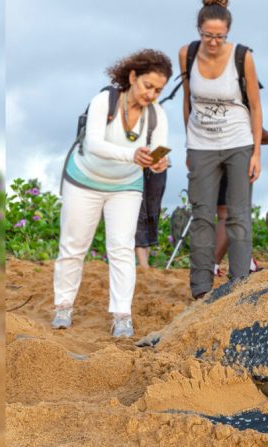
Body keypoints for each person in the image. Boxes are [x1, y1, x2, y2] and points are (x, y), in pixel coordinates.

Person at [52, 49, 172, 337]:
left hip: (126, 186)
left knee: (121, 248)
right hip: (84, 179)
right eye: (147, 86)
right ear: (132, 77)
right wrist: (133, 155)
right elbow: (93, 144)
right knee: (73, 246)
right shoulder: (103, 101)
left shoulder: (158, 116)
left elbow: (157, 154)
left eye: (158, 90)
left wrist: (158, 163)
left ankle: (122, 315)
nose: (151, 94)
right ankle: (62, 307)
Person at [181, 0, 263, 299]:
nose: (213, 42)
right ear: (199, 31)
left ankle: (238, 286)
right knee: (202, 214)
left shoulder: (243, 57)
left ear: (228, 32)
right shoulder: (187, 54)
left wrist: (255, 152)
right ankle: (201, 288)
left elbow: (255, 106)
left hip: (238, 141)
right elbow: (187, 101)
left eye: (220, 36)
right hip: (201, 143)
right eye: (208, 35)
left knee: (239, 215)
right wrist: (188, 145)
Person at [212, 127, 268, 276]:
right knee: (230, 214)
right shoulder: (243, 104)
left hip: (211, 153)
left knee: (224, 211)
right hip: (235, 157)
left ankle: (245, 261)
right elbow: (255, 132)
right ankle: (212, 265)